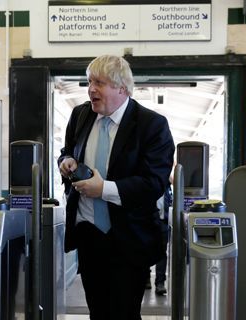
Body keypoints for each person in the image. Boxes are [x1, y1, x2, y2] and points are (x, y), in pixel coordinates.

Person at [58, 54, 175, 319]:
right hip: (88, 234)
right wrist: (65, 161)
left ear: (122, 88)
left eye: (99, 82)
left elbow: (154, 182)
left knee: (123, 314)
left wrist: (104, 189)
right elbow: (67, 151)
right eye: (89, 82)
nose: (91, 89)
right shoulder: (81, 115)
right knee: (98, 313)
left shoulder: (152, 126)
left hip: (128, 240)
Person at [146, 183, 172, 296]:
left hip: (163, 222)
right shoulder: (149, 182)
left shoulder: (167, 186)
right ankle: (146, 278)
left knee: (162, 252)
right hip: (149, 220)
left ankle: (160, 283)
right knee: (145, 249)